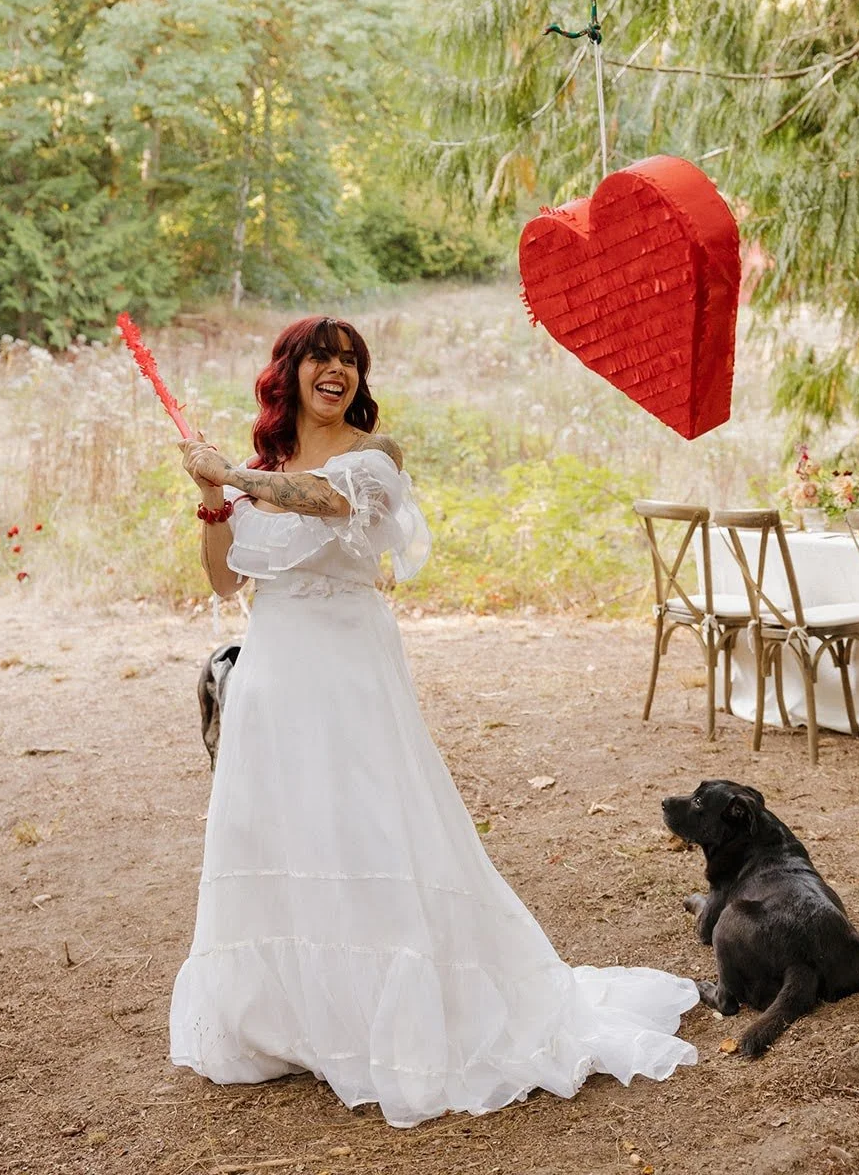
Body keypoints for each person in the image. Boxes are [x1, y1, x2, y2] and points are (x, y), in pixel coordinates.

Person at [169, 315, 698, 1128]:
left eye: (350, 360)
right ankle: (293, 1023)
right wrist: (213, 495)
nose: (336, 370)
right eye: (322, 357)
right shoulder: (261, 469)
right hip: (275, 668)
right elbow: (220, 582)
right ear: (290, 373)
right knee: (280, 827)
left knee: (367, 822)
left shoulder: (373, 458)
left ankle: (393, 1018)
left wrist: (230, 471)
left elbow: (324, 502)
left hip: (347, 666)